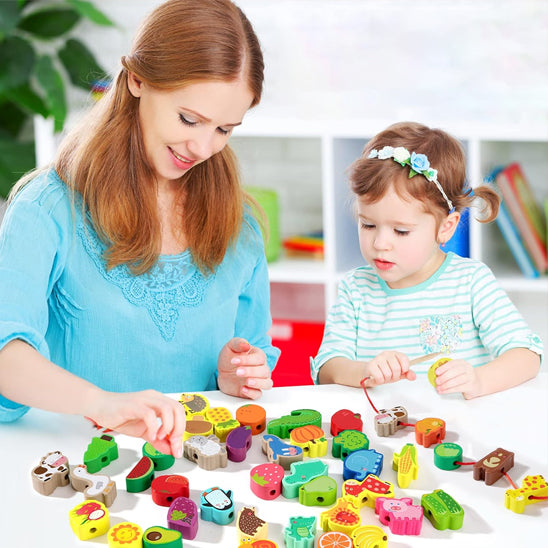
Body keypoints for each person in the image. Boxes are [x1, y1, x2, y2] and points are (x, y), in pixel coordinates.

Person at [0, 0, 280, 457]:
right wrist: (102, 404)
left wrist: (234, 374)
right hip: (80, 469)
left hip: (196, 477)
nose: (203, 147)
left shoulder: (239, 222)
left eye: (225, 129)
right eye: (189, 119)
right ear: (137, 80)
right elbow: (5, 354)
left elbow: (256, 353)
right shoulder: (47, 208)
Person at [311, 122, 542, 399]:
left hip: (460, 435)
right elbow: (327, 369)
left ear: (446, 227)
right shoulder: (355, 288)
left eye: (401, 231)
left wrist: (479, 380)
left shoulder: (470, 282)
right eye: (368, 225)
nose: (379, 243)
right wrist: (365, 370)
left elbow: (527, 356)